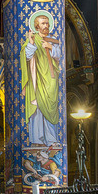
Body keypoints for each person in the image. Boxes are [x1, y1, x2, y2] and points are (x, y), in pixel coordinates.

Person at [22, 12, 65, 144]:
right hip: (37, 79)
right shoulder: (33, 39)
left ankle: (51, 139)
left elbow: (59, 55)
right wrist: (31, 43)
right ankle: (37, 139)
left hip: (51, 79)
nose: (46, 26)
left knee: (51, 107)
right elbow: (27, 56)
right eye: (43, 23)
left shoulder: (53, 40)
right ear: (37, 26)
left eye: (47, 23)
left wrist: (50, 47)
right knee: (38, 108)